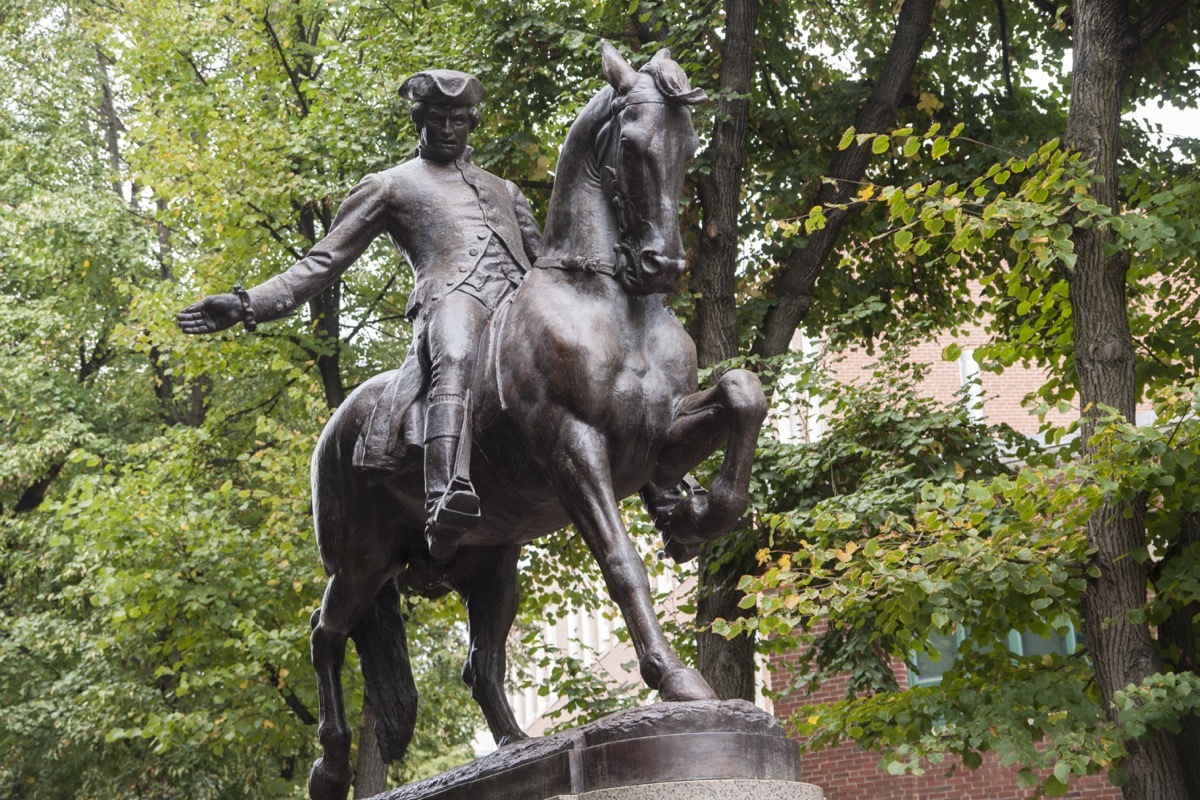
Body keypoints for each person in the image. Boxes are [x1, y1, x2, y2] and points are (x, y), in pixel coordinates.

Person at [176, 69, 543, 560]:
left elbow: (546, 263)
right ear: (420, 120)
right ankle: (445, 493)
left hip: (520, 303)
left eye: (459, 119)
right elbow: (321, 263)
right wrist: (248, 304)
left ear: (472, 121)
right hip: (455, 298)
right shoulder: (389, 187)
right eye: (438, 118)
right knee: (455, 353)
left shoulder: (506, 190)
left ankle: (661, 487)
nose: (450, 128)